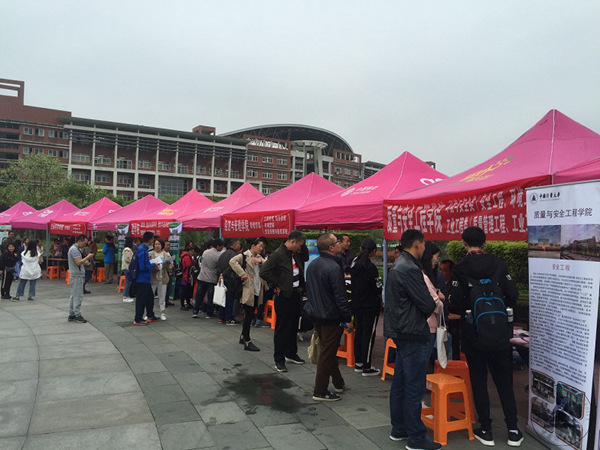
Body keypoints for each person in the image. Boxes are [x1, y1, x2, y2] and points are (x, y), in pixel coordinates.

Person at [449, 226, 522, 447]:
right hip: (500, 333)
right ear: (485, 242)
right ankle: (513, 430)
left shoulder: (460, 268)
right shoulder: (498, 264)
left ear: (463, 242)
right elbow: (513, 294)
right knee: (504, 381)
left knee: (479, 381)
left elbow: (456, 301)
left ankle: (486, 429)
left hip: (473, 334)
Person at [384, 229, 441, 450]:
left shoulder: (400, 265)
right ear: (417, 244)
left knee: (401, 382)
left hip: (402, 331)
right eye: (424, 244)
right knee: (413, 386)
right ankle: (416, 437)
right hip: (412, 332)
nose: (425, 248)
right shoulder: (409, 268)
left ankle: (399, 428)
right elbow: (427, 304)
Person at [305, 233, 354, 401]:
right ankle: (320, 390)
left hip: (316, 314)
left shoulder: (313, 265)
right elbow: (340, 296)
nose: (340, 243)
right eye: (337, 241)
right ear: (331, 247)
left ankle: (338, 383)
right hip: (331, 317)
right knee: (327, 354)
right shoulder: (333, 267)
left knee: (328, 350)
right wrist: (347, 318)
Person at [260, 230, 309, 373]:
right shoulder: (278, 254)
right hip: (284, 295)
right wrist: (277, 284)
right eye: (299, 244)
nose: (300, 247)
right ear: (293, 242)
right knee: (282, 328)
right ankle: (279, 359)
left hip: (296, 293)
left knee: (294, 325)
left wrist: (303, 245)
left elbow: (305, 257)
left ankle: (291, 353)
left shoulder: (296, 253)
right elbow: (264, 272)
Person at [348, 237, 382, 377]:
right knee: (368, 335)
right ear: (373, 252)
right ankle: (367, 366)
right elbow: (378, 288)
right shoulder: (370, 267)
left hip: (356, 304)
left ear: (360, 249)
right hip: (370, 306)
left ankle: (359, 363)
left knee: (359, 333)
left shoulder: (354, 265)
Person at [230, 237, 268, 351]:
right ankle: (247, 340)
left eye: (263, 247)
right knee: (249, 315)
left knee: (250, 314)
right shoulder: (244, 256)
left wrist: (260, 261)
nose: (261, 249)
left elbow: (268, 265)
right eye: (260, 246)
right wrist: (242, 274)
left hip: (257, 288)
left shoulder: (259, 258)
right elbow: (232, 261)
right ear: (253, 245)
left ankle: (243, 336)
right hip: (248, 289)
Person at [420, 242, 445, 362]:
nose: (437, 260)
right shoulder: (424, 277)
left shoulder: (422, 275)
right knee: (422, 363)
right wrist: (441, 299)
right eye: (437, 256)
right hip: (428, 326)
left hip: (426, 325)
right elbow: (435, 303)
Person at [193, 238, 224, 319]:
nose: (222, 248)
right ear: (218, 246)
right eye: (221, 246)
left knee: (199, 295)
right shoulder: (218, 256)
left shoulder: (205, 252)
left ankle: (195, 311)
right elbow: (218, 267)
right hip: (212, 278)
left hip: (202, 276)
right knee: (210, 297)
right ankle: (209, 313)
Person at [133, 232, 159, 326]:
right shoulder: (143, 251)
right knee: (141, 299)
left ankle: (150, 315)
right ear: (151, 240)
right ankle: (138, 318)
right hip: (142, 279)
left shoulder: (141, 248)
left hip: (144, 279)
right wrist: (153, 265)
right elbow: (143, 267)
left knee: (149, 298)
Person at [67, 235, 94, 322]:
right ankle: (77, 315)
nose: (85, 245)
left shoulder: (75, 249)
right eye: (84, 243)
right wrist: (88, 257)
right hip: (77, 275)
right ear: (79, 241)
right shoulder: (74, 250)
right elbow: (78, 262)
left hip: (76, 274)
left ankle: (72, 314)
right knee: (78, 296)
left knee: (74, 295)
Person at [218, 238, 243, 324]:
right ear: (234, 245)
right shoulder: (234, 255)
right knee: (230, 299)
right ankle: (229, 318)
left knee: (222, 298)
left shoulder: (222, 254)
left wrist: (220, 275)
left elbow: (217, 266)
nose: (239, 246)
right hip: (231, 280)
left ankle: (221, 317)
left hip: (222, 279)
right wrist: (224, 274)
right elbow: (231, 267)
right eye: (238, 244)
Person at [149, 238, 172, 321]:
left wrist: (168, 264)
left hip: (162, 277)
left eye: (159, 244)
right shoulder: (150, 254)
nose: (157, 246)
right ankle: (149, 313)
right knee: (150, 296)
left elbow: (170, 268)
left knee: (162, 296)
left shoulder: (166, 255)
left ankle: (162, 313)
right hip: (153, 277)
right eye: (156, 244)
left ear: (162, 245)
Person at [179, 246, 197, 310]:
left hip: (185, 276)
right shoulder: (187, 257)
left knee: (186, 291)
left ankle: (187, 303)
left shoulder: (185, 256)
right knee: (184, 291)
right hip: (186, 276)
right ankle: (183, 305)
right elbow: (189, 266)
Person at [121, 237, 135, 302]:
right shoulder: (127, 250)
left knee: (129, 282)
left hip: (127, 268)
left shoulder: (127, 249)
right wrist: (133, 260)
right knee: (128, 282)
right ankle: (125, 296)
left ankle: (127, 295)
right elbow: (127, 259)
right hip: (127, 267)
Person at [163, 240, 174, 307]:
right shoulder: (163, 254)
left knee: (169, 288)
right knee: (165, 288)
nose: (169, 246)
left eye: (169, 245)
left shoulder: (169, 253)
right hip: (165, 272)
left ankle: (167, 300)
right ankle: (164, 301)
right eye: (167, 245)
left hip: (170, 272)